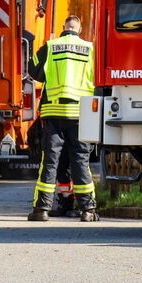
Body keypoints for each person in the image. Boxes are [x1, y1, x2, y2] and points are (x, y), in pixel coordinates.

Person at [27, 15, 98, 222]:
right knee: (80, 161)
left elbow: (34, 71)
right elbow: (98, 77)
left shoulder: (50, 45)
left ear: (63, 27)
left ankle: (42, 209)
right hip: (80, 114)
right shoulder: (90, 49)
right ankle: (87, 210)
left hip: (53, 113)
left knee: (49, 161)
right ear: (80, 28)